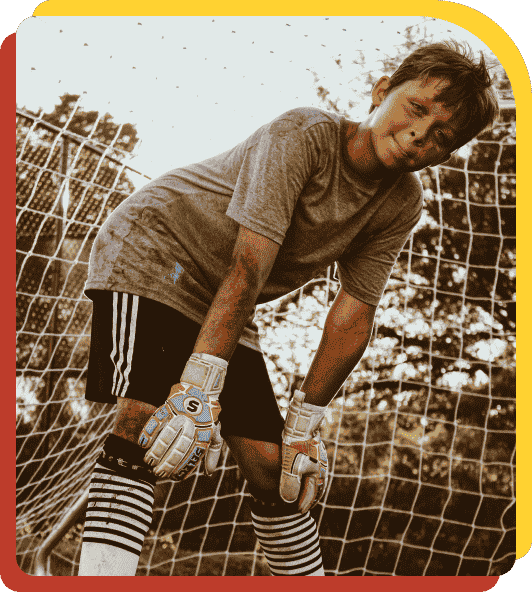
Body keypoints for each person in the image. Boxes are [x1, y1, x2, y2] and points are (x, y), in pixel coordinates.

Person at [77, 41, 499, 576]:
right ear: (381, 92)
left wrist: (303, 425)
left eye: (442, 136)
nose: (420, 134)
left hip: (226, 297)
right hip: (156, 252)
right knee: (146, 421)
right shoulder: (303, 133)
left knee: (278, 470)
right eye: (416, 108)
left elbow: (353, 316)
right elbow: (249, 265)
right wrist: (198, 388)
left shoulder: (402, 202)